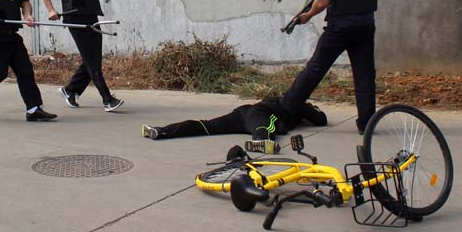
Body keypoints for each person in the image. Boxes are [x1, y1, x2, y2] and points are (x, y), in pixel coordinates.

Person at [281, 0, 385, 134]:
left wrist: (307, 16)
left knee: (315, 69)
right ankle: (367, 124)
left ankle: (286, 110)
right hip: (366, 25)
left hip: (340, 27)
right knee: (365, 75)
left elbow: (321, 1)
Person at [40, 0, 123, 112]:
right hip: (75, 19)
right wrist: (51, 11)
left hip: (92, 16)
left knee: (94, 59)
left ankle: (70, 90)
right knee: (92, 61)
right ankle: (107, 99)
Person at [140, 97, 327, 141]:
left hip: (242, 113)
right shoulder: (296, 103)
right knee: (264, 128)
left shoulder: (278, 100)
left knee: (207, 126)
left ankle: (161, 131)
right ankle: (261, 140)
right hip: (260, 114)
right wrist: (308, 108)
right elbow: (321, 120)